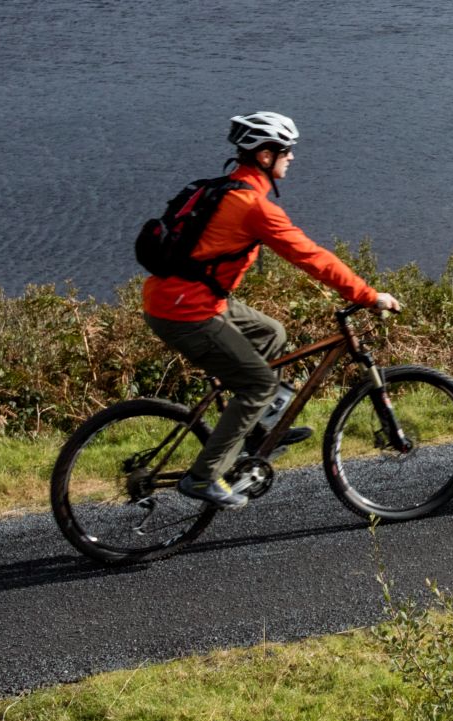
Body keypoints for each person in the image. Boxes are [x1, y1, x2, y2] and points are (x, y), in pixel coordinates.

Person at [144, 111, 402, 508]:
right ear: (265, 156)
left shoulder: (225, 188)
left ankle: (261, 430)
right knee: (259, 385)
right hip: (186, 311)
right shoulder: (252, 206)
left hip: (183, 297)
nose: (292, 158)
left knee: (271, 333)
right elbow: (310, 256)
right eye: (286, 151)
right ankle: (203, 476)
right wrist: (368, 295)